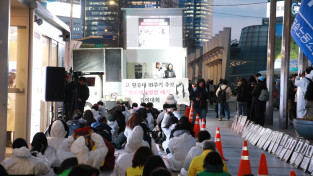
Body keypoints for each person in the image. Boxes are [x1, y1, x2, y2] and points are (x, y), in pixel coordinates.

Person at [7, 72, 16, 147]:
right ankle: (8, 142)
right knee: (8, 128)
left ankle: (13, 142)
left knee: (13, 127)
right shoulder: (7, 89)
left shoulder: (13, 89)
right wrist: (9, 105)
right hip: (9, 111)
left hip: (13, 111)